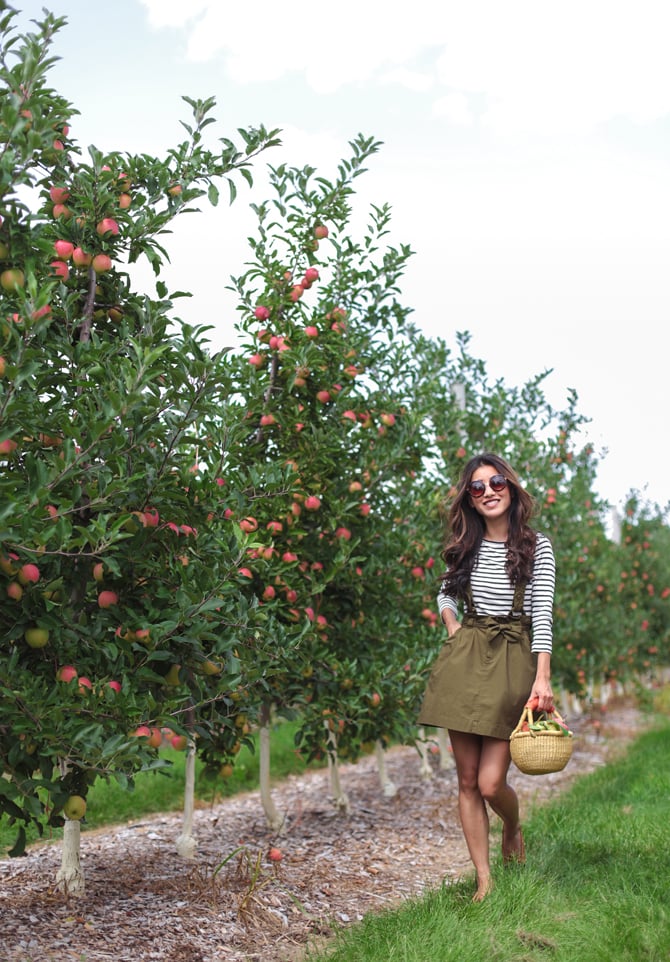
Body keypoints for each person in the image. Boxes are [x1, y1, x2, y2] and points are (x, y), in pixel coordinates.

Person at [418, 452, 555, 902]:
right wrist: (453, 626)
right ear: (471, 500)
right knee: (466, 780)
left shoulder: (538, 546)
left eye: (496, 482)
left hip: (514, 659)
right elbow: (445, 590)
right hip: (468, 655)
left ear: (511, 488)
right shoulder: (466, 547)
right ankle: (484, 880)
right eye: (477, 487)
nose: (489, 491)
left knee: (491, 783)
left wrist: (543, 679)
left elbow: (543, 617)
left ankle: (512, 825)